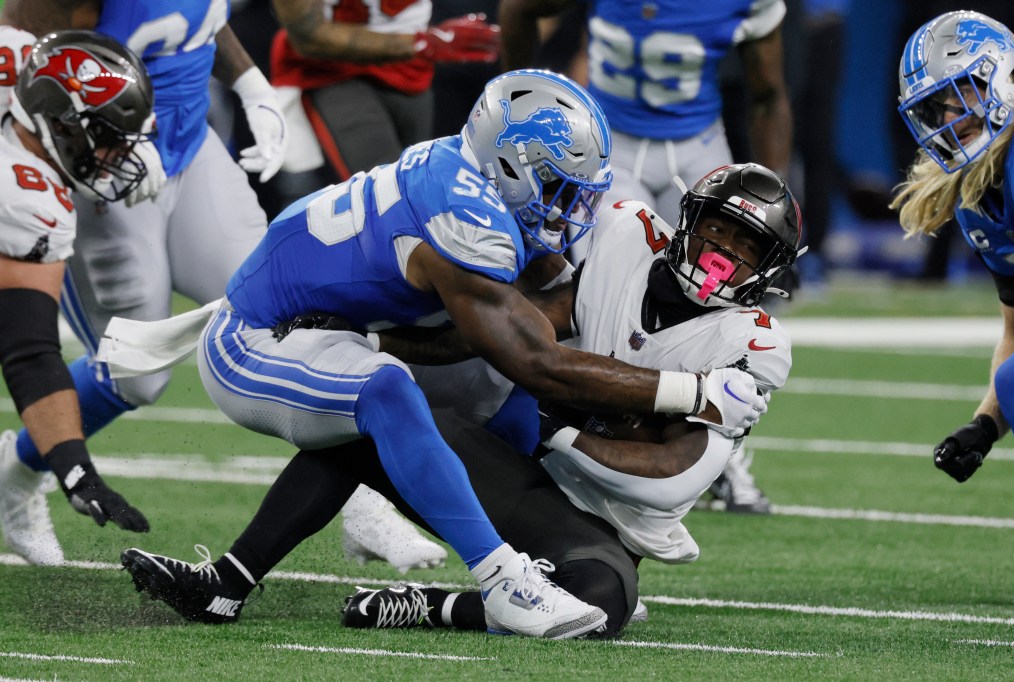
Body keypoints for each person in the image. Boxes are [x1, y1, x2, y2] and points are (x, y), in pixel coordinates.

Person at [105, 69, 767, 639]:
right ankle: (506, 580)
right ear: (510, 165)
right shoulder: (467, 215)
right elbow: (533, 356)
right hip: (257, 341)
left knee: (473, 383)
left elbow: (529, 317)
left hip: (335, 329)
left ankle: (226, 583)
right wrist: (692, 392)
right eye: (562, 187)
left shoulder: (481, 185)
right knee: (388, 391)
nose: (573, 209)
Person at [0, 0, 444, 576]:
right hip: (100, 165)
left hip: (189, 144)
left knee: (291, 306)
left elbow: (199, 16)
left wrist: (248, 80)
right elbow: (29, 70)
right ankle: (17, 468)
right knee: (138, 373)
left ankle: (360, 503)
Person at [500, 0, 792, 515]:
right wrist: (515, 101)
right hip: (613, 142)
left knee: (724, 306)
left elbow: (768, 94)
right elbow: (519, 10)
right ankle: (577, 421)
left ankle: (724, 460)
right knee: (601, 297)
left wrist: (776, 201)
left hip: (702, 146)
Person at [0, 30, 155, 565]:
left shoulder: (21, 55)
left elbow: (30, 351)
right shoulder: (22, 197)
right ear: (60, 123)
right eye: (110, 138)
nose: (117, 155)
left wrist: (74, 469)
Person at [891, 10, 1014, 481]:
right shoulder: (976, 199)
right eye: (941, 103)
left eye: (962, 91)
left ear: (1004, 76)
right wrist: (985, 425)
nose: (951, 115)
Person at [268, 0, 501, 209]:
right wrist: (422, 43)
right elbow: (306, 35)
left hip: (413, 71)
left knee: (423, 187)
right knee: (390, 196)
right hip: (333, 72)